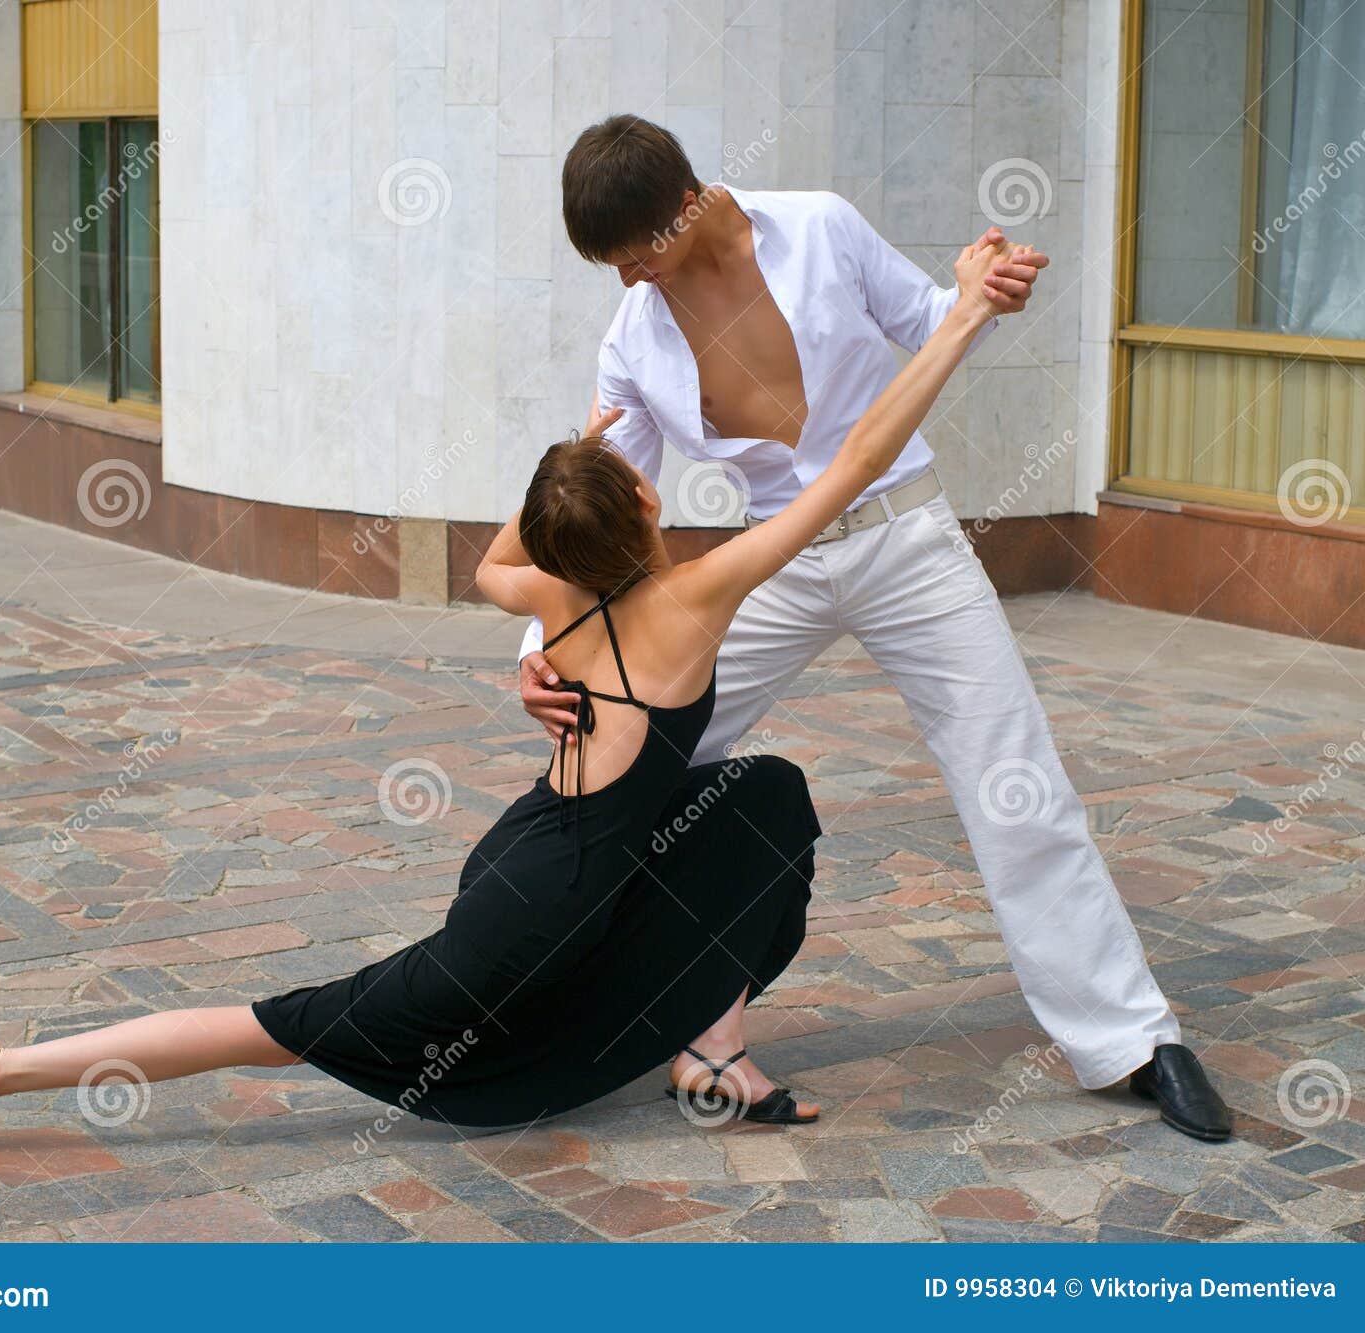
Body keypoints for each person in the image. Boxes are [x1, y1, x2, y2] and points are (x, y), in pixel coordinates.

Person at [0, 238, 1017, 1151]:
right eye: (635, 478)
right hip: (526, 916)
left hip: (539, 853)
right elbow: (855, 462)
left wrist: (572, 457)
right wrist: (960, 316)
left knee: (760, 800)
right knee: (277, 1026)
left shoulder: (552, 591)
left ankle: (711, 1053)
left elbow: (492, 562)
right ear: (642, 509)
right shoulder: (691, 601)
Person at [516, 115, 1230, 1143]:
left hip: (906, 541)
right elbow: (597, 513)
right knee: (630, 745)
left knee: (1013, 777)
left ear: (687, 205)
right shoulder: (633, 340)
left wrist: (985, 286)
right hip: (774, 560)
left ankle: (1133, 1039)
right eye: (612, 264)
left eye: (638, 254)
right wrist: (545, 655)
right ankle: (619, 1012)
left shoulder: (819, 228)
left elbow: (935, 318)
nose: (628, 279)